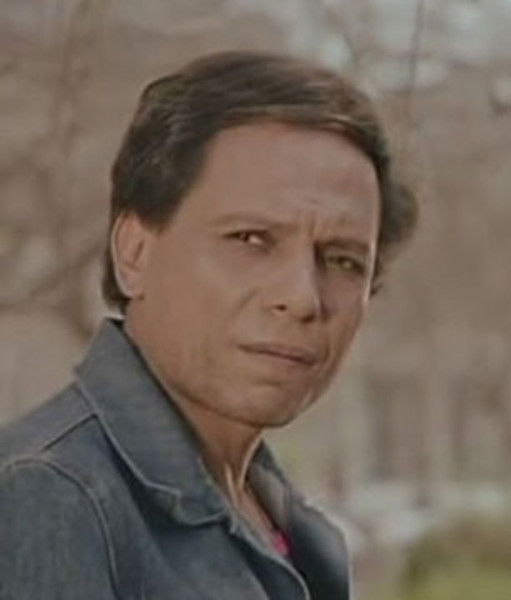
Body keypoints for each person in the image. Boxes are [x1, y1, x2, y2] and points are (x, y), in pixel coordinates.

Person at [0, 51, 417, 599]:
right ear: (134, 253)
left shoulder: (282, 520)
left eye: (342, 260)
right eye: (251, 240)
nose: (302, 298)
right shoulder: (50, 497)